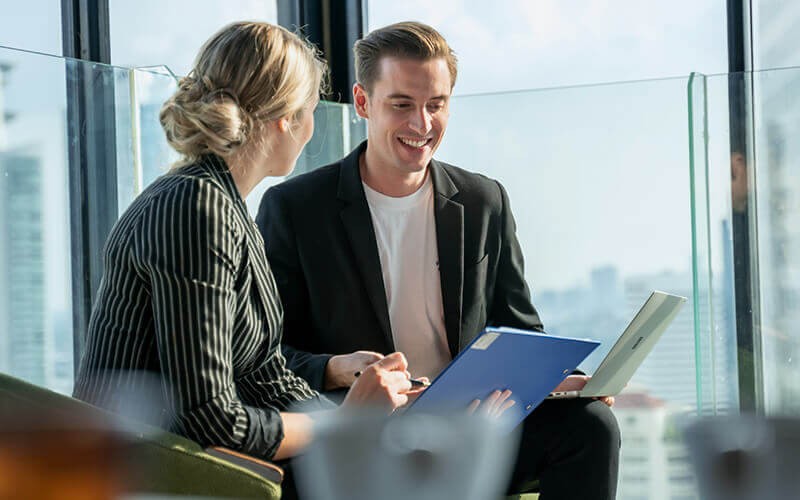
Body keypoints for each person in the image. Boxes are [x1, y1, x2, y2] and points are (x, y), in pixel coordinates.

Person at [257, 21, 620, 498]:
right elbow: (269, 356)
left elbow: (520, 328)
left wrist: (550, 382)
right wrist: (340, 370)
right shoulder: (296, 208)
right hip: (364, 433)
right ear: (363, 102)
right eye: (402, 105)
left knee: (591, 424)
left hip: (474, 424)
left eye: (437, 105)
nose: (422, 125)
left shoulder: (483, 200)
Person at [73, 21, 416, 469]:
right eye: (311, 110)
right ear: (286, 120)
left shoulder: (221, 204)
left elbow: (259, 371)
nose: (313, 128)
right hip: (142, 474)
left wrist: (343, 383)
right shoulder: (195, 208)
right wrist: (348, 421)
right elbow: (209, 419)